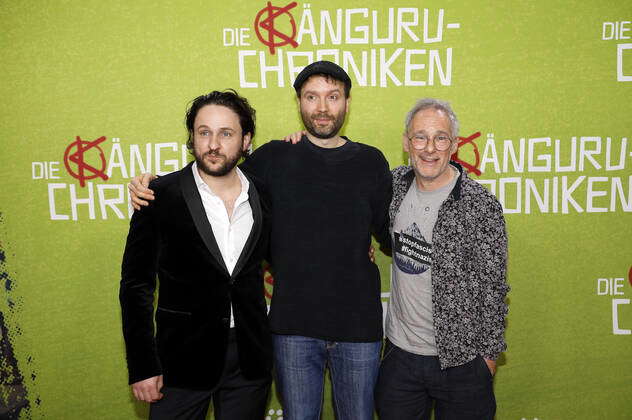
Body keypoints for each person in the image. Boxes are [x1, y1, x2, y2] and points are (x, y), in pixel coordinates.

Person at [128, 61, 392, 420]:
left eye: (333, 97)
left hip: (351, 329)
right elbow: (209, 176)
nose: (322, 107)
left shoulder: (371, 161)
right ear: (299, 103)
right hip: (289, 332)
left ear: (347, 102)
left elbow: (389, 231)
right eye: (311, 97)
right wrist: (152, 184)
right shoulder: (273, 158)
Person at [119, 90, 272, 420]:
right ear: (192, 137)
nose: (213, 144)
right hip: (180, 362)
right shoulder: (158, 196)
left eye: (225, 133)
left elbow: (286, 259)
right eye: (204, 132)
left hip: (249, 359)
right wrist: (143, 365)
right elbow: (136, 287)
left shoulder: (264, 194)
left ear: (246, 140)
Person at [374, 98, 509, 420]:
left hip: (462, 362)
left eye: (440, 138)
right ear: (407, 142)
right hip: (400, 357)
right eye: (420, 137)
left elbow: (494, 289)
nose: (429, 148)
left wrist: (486, 361)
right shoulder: (392, 186)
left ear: (455, 145)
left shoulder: (481, 205)